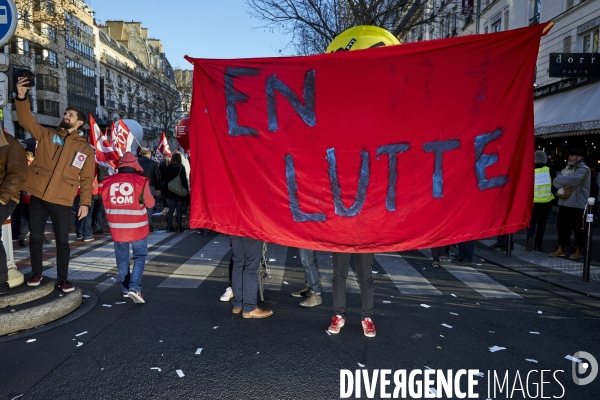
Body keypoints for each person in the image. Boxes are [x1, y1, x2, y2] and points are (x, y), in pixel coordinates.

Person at [15, 77, 95, 292]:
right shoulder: (48, 135)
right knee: (37, 238)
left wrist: (85, 203)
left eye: (70, 115)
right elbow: (26, 121)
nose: (65, 116)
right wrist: (22, 97)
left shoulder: (86, 150)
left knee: (62, 242)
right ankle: (37, 273)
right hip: (39, 195)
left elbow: (87, 179)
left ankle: (62, 279)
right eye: (65, 113)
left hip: (62, 199)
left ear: (79, 123)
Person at [102, 152, 154, 304]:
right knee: (140, 256)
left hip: (117, 227)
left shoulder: (107, 181)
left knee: (122, 259)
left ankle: (125, 289)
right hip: (137, 227)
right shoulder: (141, 181)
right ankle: (135, 288)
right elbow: (150, 204)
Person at [0, 131, 29, 295]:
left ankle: (1, 282)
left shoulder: (11, 144)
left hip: (6, 196)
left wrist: (2, 198)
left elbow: (18, 174)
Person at [549, 148, 591, 260]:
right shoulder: (568, 168)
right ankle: (561, 248)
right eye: (569, 156)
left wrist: (560, 179)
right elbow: (558, 182)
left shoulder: (583, 169)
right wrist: (560, 180)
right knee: (562, 227)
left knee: (578, 228)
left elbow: (569, 181)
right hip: (564, 202)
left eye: (572, 156)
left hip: (577, 204)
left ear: (579, 158)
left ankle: (578, 249)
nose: (570, 158)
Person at [328, 252, 376, 337]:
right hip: (343, 239)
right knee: (339, 277)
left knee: (365, 278)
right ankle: (339, 315)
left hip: (363, 240)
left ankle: (367, 317)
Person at [230, 236, 273, 318]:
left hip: (235, 228)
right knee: (251, 267)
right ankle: (249, 307)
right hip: (251, 229)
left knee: (238, 264)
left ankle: (237, 304)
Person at [526, 151, 554, 252]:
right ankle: (539, 243)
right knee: (542, 223)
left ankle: (530, 237)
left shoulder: (530, 171)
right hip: (546, 201)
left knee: (531, 221)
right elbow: (555, 186)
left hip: (532, 201)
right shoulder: (550, 171)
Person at [138, 148, 161, 232]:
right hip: (150, 185)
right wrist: (158, 188)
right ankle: (148, 223)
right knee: (149, 205)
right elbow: (157, 176)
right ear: (149, 155)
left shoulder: (138, 162)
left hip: (139, 185)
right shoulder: (153, 163)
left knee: (140, 204)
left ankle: (140, 223)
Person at [164, 152, 188, 232]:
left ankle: (169, 226)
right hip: (179, 191)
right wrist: (185, 190)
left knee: (171, 209)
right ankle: (178, 226)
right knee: (179, 209)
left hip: (170, 191)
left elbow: (165, 180)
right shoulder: (181, 167)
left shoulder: (168, 167)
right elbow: (184, 180)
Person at [18, 151, 34, 247]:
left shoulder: (21, 165)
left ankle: (22, 236)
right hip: (30, 195)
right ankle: (22, 236)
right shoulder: (30, 166)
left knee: (27, 217)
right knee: (30, 218)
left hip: (24, 195)